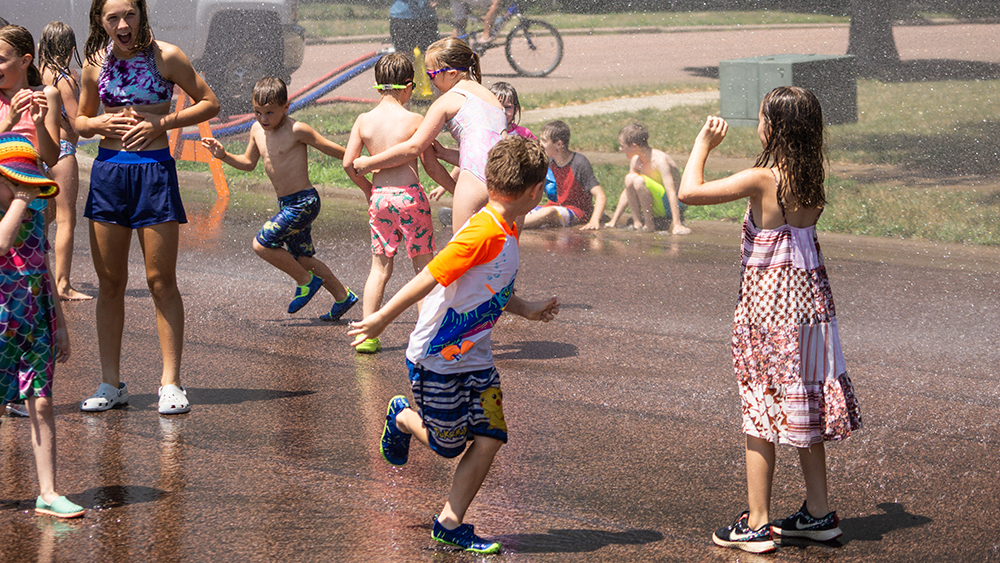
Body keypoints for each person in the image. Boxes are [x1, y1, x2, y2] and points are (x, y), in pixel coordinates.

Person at [348, 136, 559, 554]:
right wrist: (382, 319)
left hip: (476, 357)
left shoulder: (508, 226)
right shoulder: (481, 232)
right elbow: (429, 276)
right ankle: (402, 418)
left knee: (490, 435)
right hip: (436, 358)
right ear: (535, 192)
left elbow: (489, 290)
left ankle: (449, 523)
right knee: (447, 445)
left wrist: (528, 308)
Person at [677, 86, 862, 554]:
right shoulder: (812, 178)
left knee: (761, 407)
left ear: (774, 128)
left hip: (770, 313)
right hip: (815, 310)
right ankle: (818, 514)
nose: (758, 123)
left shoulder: (764, 178)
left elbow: (688, 192)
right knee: (808, 407)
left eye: (762, 116)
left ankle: (757, 523)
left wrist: (703, 144)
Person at [76, 0, 220, 416]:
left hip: (154, 172)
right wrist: (97, 125)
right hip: (109, 174)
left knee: (161, 280)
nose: (123, 25)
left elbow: (208, 103)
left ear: (142, 14)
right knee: (110, 283)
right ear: (100, 21)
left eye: (130, 15)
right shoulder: (94, 63)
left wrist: (164, 123)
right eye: (113, 18)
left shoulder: (166, 57)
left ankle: (171, 383)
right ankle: (110, 382)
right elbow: (81, 120)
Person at [202, 77, 356, 321]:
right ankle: (342, 296)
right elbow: (248, 164)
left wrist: (362, 163)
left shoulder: (296, 130)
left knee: (262, 244)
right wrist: (223, 155)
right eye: (258, 112)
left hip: (304, 202)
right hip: (287, 204)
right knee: (303, 258)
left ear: (286, 107)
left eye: (270, 113)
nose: (263, 119)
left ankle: (305, 282)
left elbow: (329, 147)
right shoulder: (256, 131)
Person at [0, 133, 84, 519]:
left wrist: (61, 323)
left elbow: (43, 270)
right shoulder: (15, 213)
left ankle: (48, 493)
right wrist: (18, 202)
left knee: (43, 402)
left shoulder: (34, 217)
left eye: (29, 184)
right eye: (16, 182)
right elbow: (3, 243)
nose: (26, 192)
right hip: (1, 327)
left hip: (36, 323)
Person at [352, 37, 505, 234]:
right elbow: (484, 152)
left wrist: (370, 164)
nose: (429, 80)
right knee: (501, 251)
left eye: (431, 74)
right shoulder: (492, 98)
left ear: (451, 73)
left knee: (463, 253)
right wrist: (444, 153)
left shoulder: (447, 101)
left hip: (474, 181)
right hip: (507, 176)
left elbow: (414, 147)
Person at [343, 54, 438, 354]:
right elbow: (431, 166)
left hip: (381, 199)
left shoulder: (364, 121)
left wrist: (369, 188)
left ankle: (366, 335)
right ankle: (425, 336)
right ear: (408, 87)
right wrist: (452, 186)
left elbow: (349, 163)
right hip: (411, 197)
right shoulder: (415, 120)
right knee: (423, 268)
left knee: (380, 268)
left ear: (377, 85)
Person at [38, 21, 92, 301]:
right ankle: (62, 284)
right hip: (61, 150)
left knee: (43, 217)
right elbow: (78, 122)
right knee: (65, 218)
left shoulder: (37, 75)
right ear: (71, 48)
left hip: (38, 151)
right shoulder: (65, 79)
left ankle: (42, 278)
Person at [606, 122, 691, 235]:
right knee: (630, 178)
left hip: (669, 206)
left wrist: (677, 224)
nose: (620, 149)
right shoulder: (636, 160)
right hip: (656, 204)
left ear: (634, 146)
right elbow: (628, 189)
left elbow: (671, 192)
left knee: (638, 180)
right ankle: (637, 223)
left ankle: (649, 224)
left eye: (622, 145)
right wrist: (614, 220)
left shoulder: (660, 161)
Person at [523, 120, 605, 230]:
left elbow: (600, 195)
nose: (539, 143)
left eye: (544, 140)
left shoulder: (579, 163)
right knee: (523, 208)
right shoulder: (549, 162)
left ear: (559, 144)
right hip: (553, 208)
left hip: (577, 213)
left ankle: (511, 227)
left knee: (550, 212)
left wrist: (594, 220)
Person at [0, 25, 61, 169]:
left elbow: (51, 159)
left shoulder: (46, 95)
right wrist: (10, 120)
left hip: (29, 181)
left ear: (24, 61)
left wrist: (39, 124)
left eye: (1, 60)